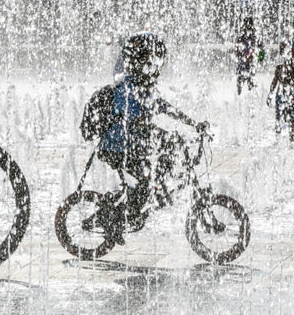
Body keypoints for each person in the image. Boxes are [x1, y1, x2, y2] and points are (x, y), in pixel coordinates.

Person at [87, 32, 206, 244]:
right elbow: (135, 121)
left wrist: (193, 123)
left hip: (130, 146)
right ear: (139, 63)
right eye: (152, 63)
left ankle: (140, 202)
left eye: (157, 63)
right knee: (142, 184)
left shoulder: (143, 86)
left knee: (148, 178)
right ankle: (114, 221)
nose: (156, 69)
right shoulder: (128, 88)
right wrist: (162, 134)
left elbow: (164, 108)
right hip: (117, 147)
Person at [266, 39, 294, 142]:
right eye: (286, 50)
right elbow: (274, 82)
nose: (289, 52)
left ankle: (291, 139)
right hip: (280, 95)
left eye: (291, 50)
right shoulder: (279, 68)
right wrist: (270, 95)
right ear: (282, 53)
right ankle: (278, 139)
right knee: (278, 118)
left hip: (293, 95)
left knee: (292, 118)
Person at [235, 16, 264, 94]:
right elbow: (237, 50)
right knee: (241, 81)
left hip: (251, 63)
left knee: (251, 80)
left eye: (250, 26)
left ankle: (249, 89)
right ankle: (241, 89)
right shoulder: (241, 37)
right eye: (247, 26)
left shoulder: (256, 36)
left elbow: (261, 48)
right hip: (243, 63)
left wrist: (260, 58)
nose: (248, 28)